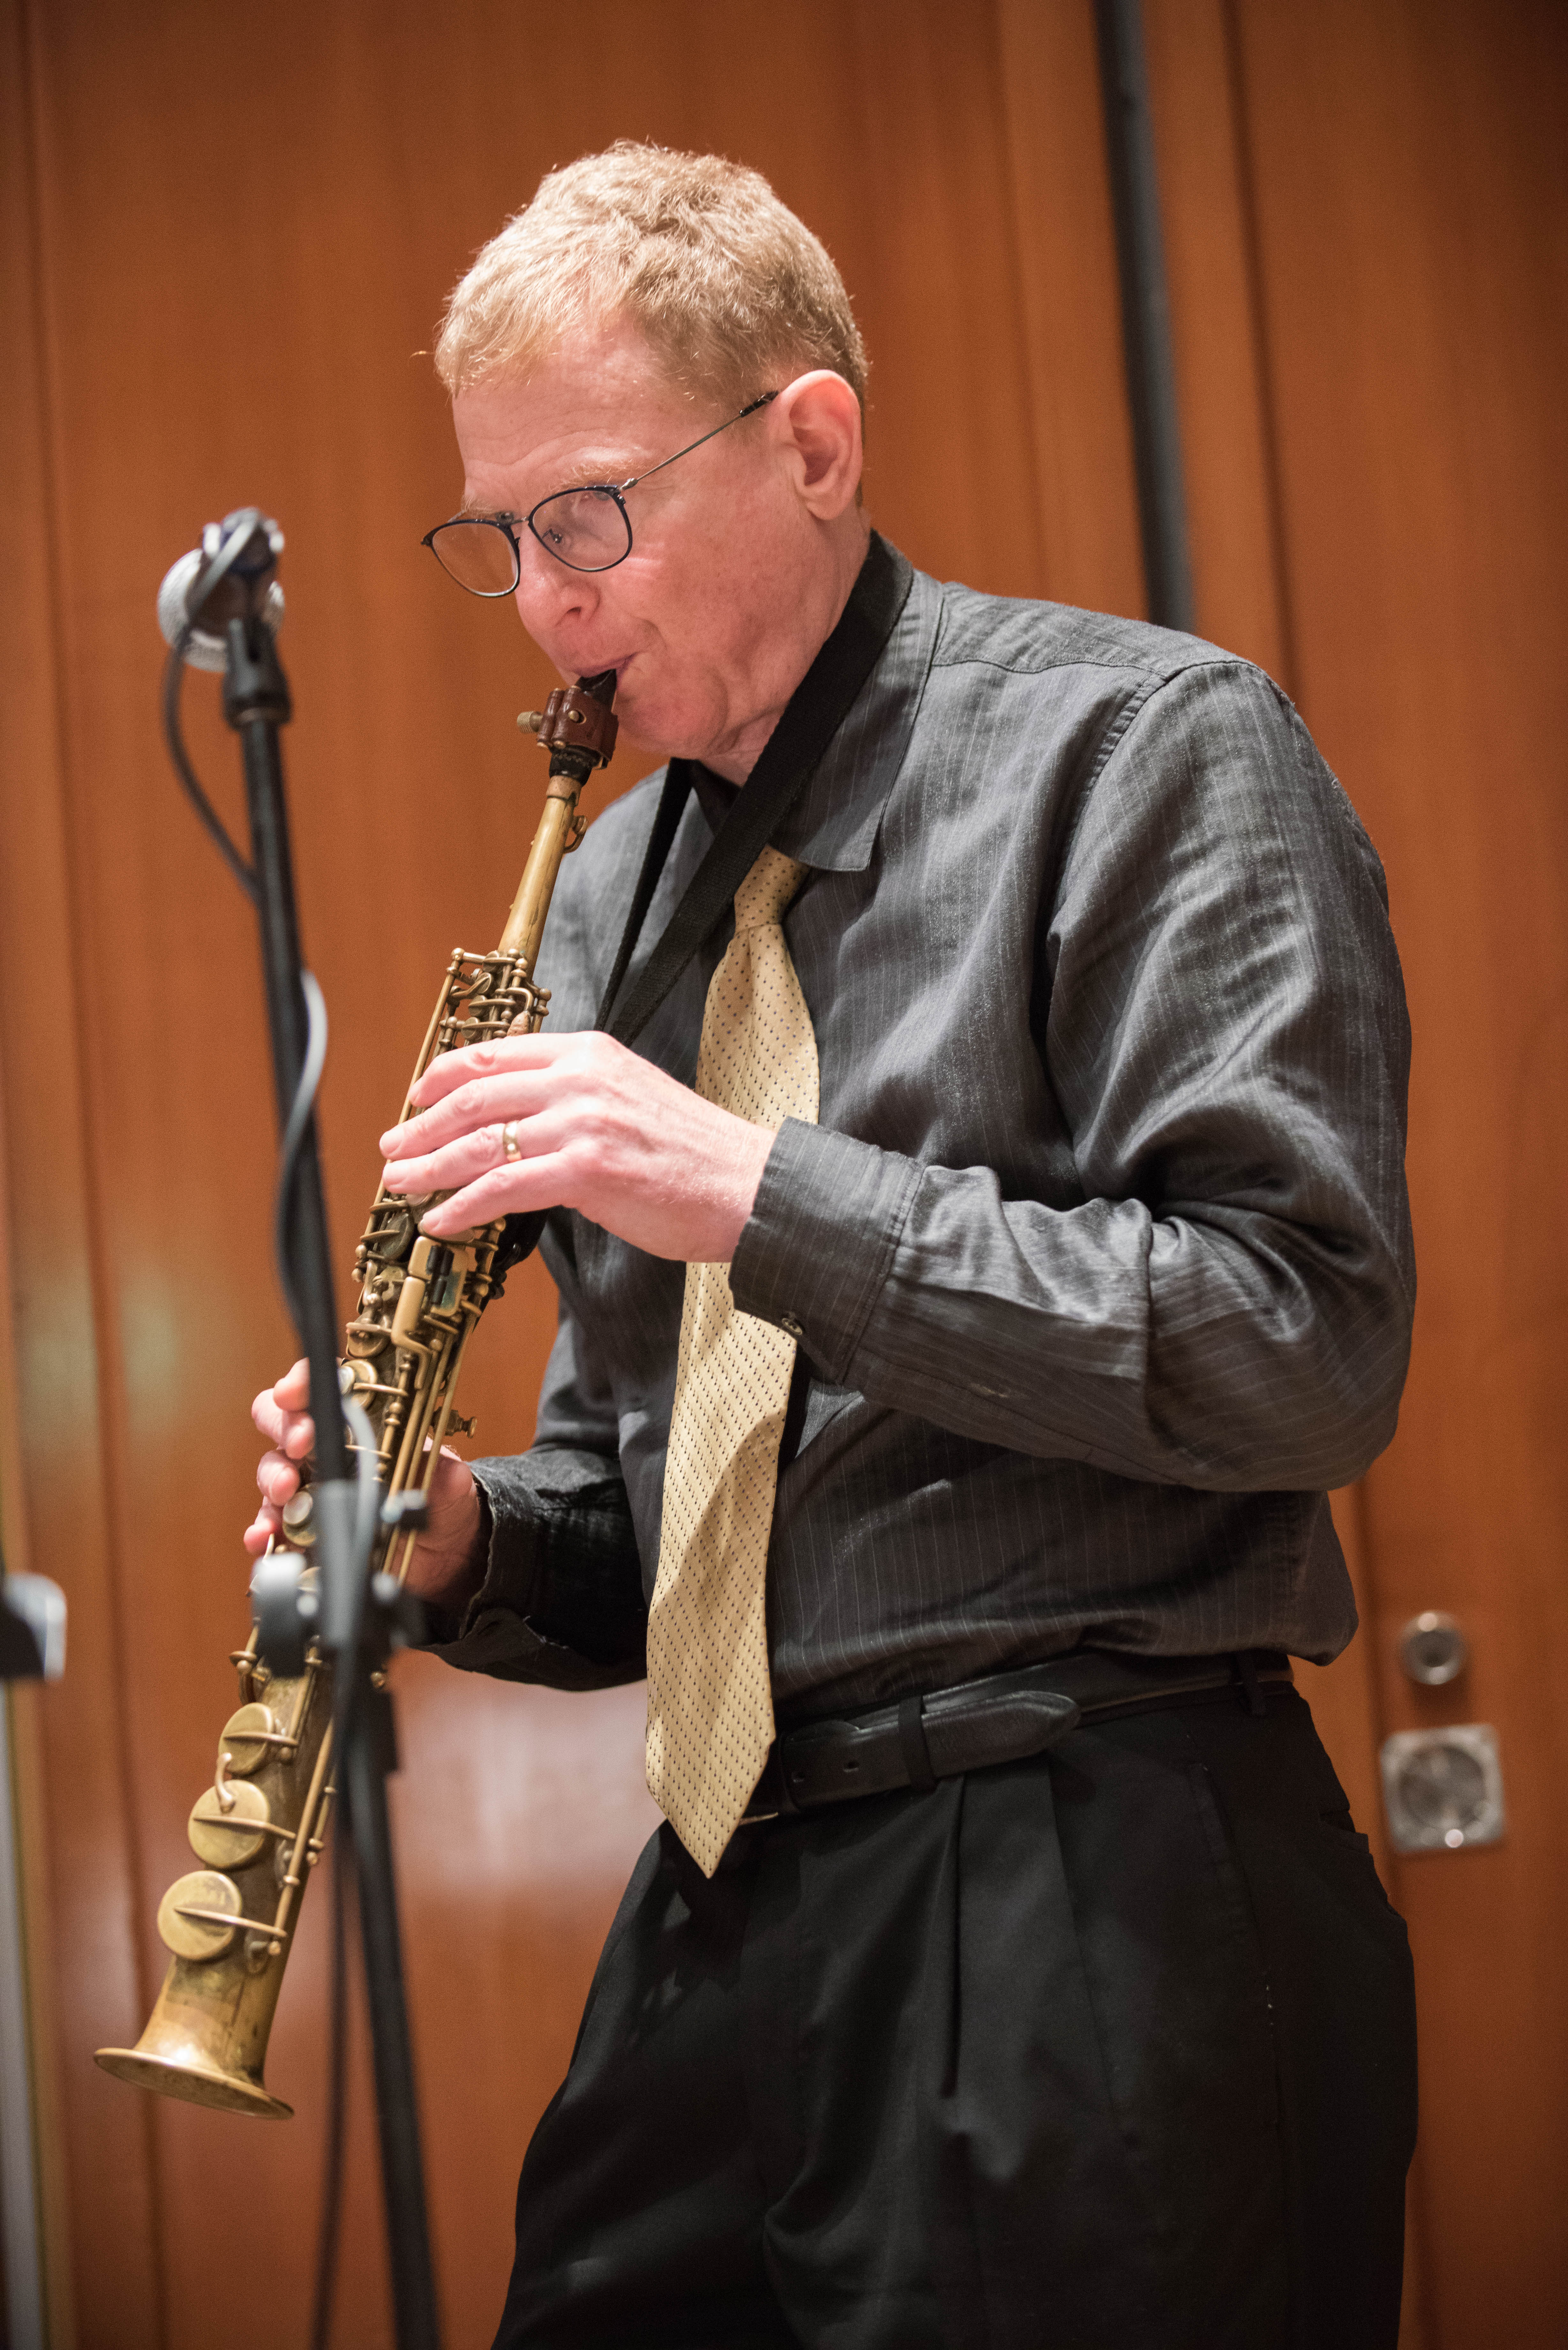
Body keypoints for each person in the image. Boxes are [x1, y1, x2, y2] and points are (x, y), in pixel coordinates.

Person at [250, 144, 1417, 2350]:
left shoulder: (1148, 749)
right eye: (498, 538)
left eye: (588, 514)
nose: (543, 602)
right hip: (723, 1898)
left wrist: (756, 1192)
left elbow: (1299, 1345)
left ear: (811, 444)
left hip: (1094, 1871)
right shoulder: (609, 906)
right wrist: (459, 1534)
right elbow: (668, 1505)